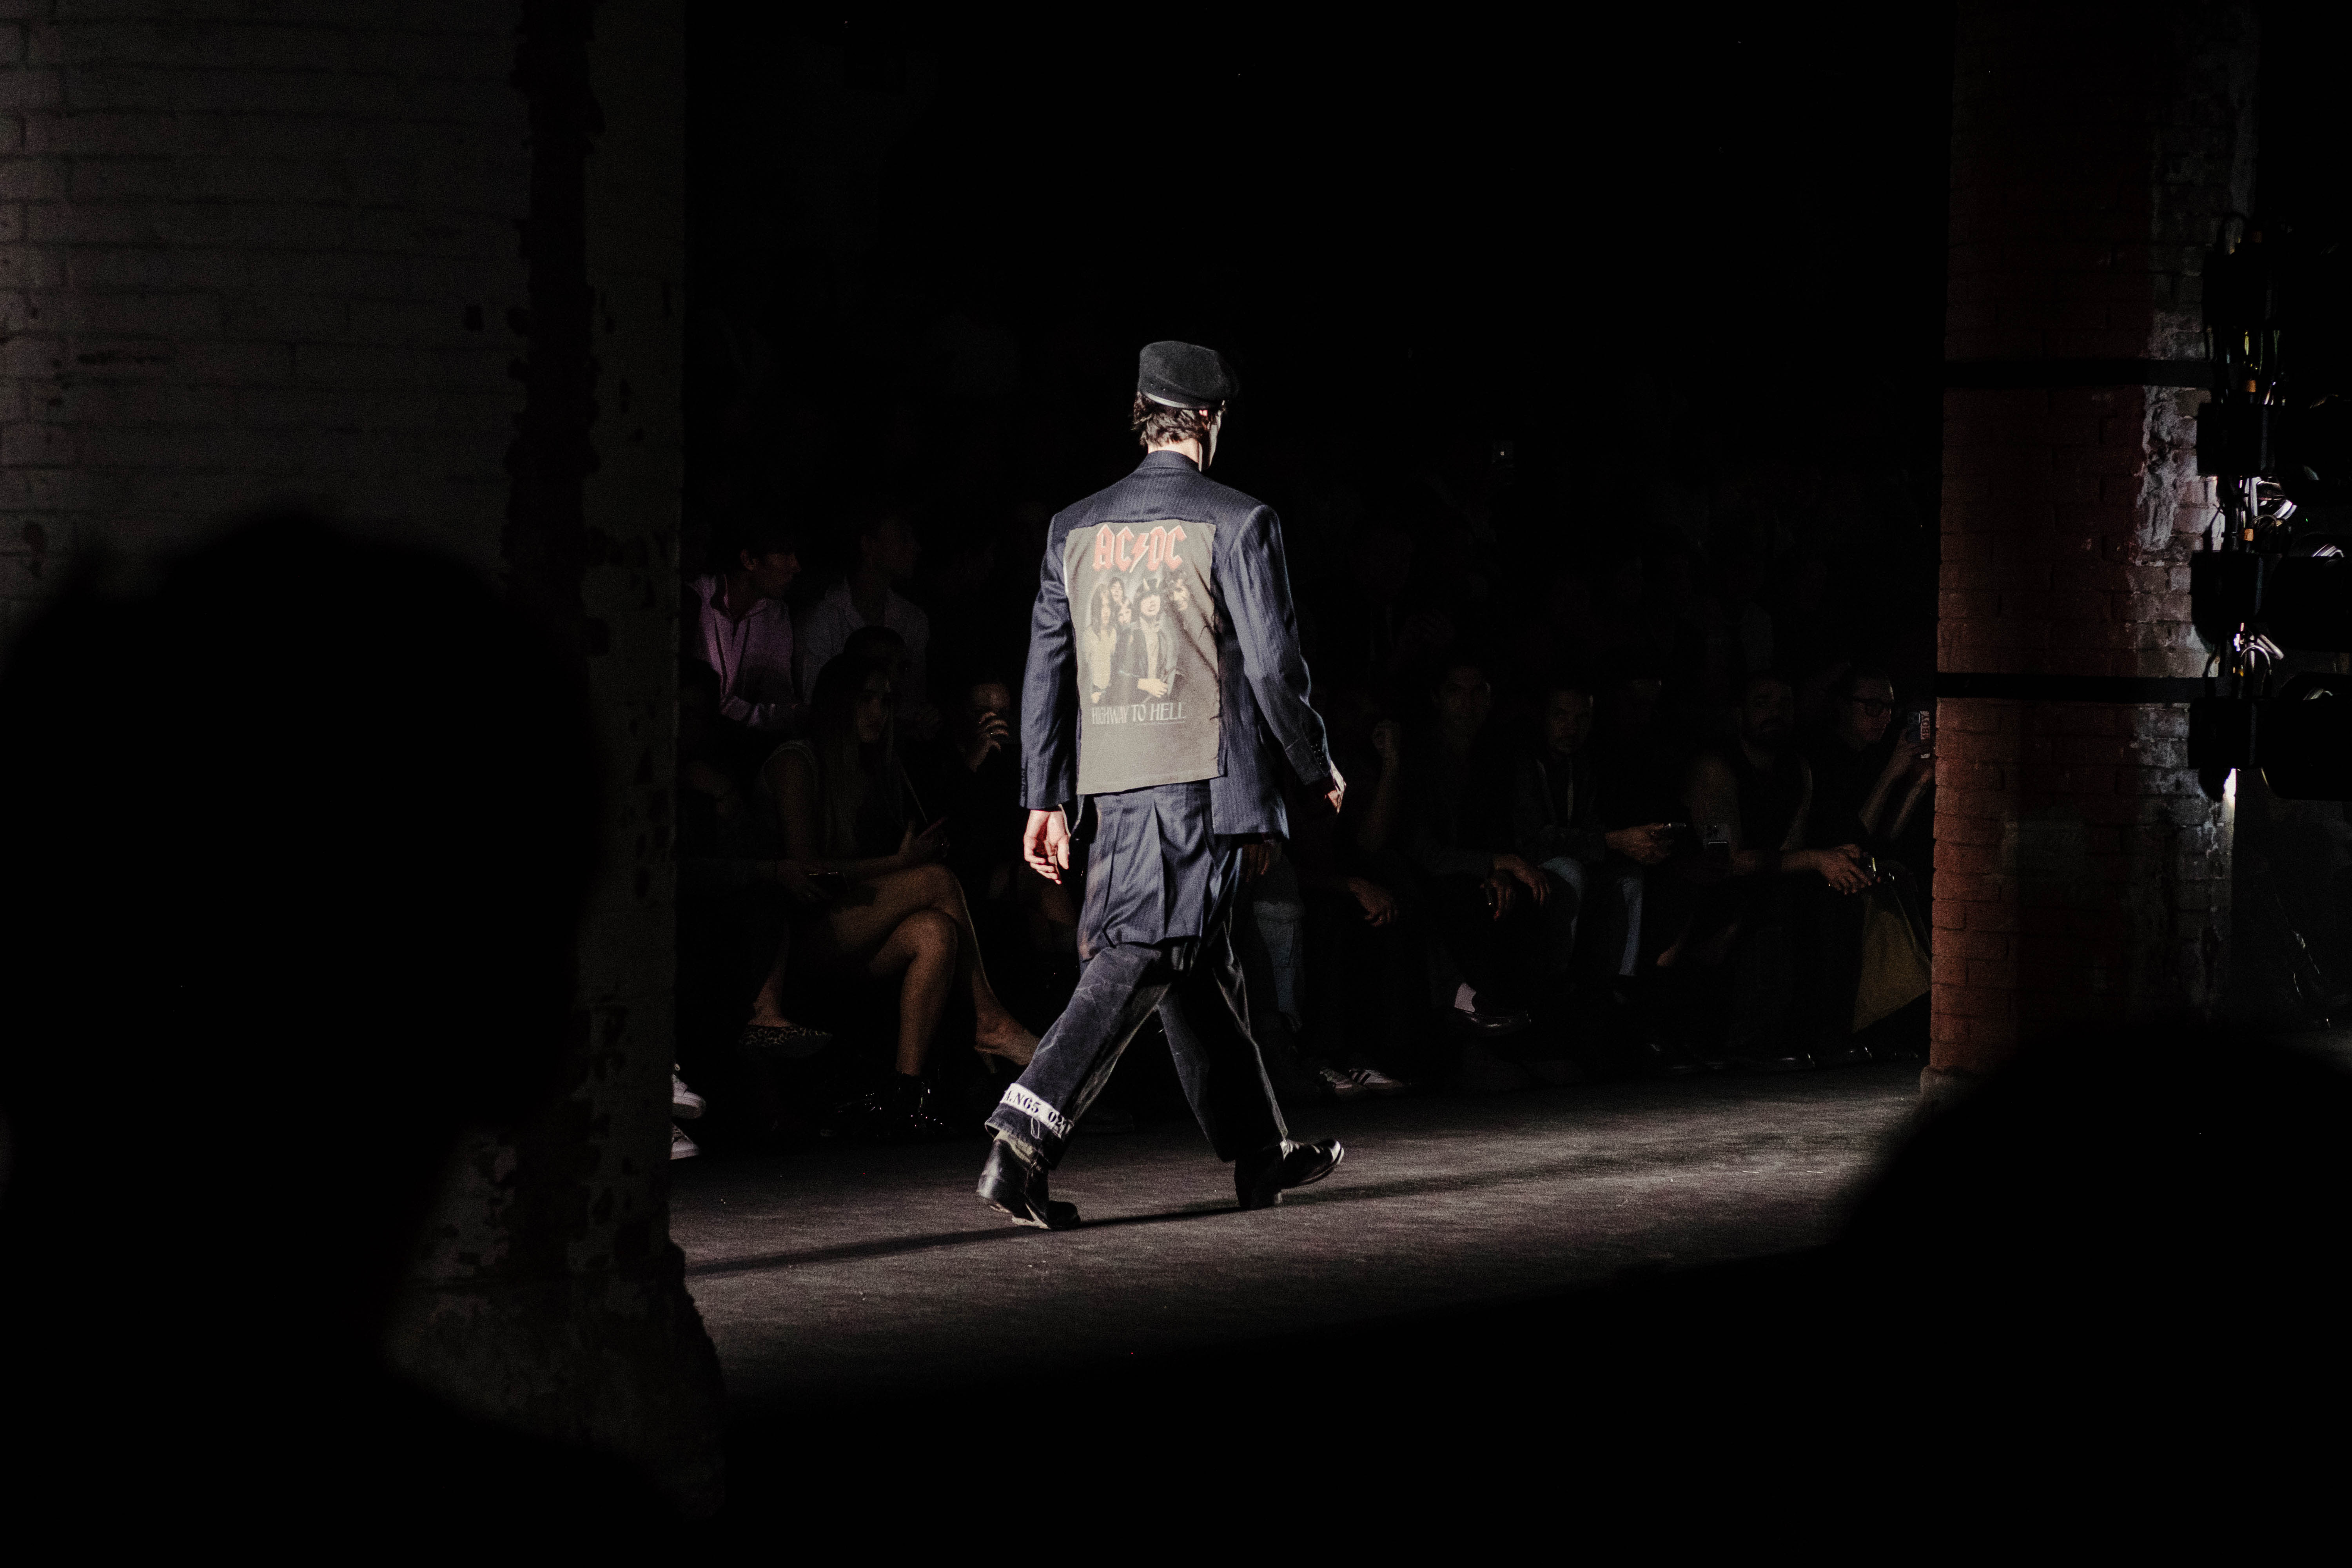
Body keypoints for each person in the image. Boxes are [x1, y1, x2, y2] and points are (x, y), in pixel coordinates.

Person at [977, 340, 1346, 1229]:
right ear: (1208, 419)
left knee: (1198, 963)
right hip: (1198, 784)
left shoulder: (1074, 527)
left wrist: (1043, 796)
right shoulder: (1239, 521)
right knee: (1142, 951)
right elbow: (1273, 666)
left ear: (1145, 415)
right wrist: (1314, 765)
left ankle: (1260, 1151)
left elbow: (1047, 670)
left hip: (1113, 783)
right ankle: (1019, 1141)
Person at [755, 655, 1038, 1139]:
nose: (878, 712)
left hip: (846, 925)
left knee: (935, 932)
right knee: (935, 881)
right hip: (786, 936)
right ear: (838, 704)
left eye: (886, 701)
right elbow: (807, 872)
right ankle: (991, 1021)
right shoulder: (795, 761)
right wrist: (900, 863)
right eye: (865, 699)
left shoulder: (870, 770)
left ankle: (905, 1093)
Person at [1673, 671, 1873, 1069]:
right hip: (1705, 886)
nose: (1774, 713)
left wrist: (1832, 859)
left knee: (1838, 892)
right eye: (1762, 703)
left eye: (1784, 704)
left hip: (1765, 877)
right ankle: (1746, 1039)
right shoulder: (1716, 768)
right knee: (1761, 903)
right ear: (1739, 713)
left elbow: (1790, 853)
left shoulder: (1797, 769)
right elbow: (1725, 861)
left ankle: (1826, 1035)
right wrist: (1816, 859)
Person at [1511, 679, 1674, 987]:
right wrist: (1616, 841)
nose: (1571, 728)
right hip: (1525, 865)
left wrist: (1636, 844)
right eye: (1561, 716)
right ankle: (1554, 983)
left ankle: (1619, 986)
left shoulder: (1580, 763)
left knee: (1629, 877)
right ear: (1543, 717)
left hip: (1568, 858)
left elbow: (1590, 826)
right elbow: (1533, 840)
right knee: (1570, 872)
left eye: (1581, 718)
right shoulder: (1523, 763)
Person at [799, 508, 938, 738]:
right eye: (903, 538)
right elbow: (816, 703)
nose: (916, 547)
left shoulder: (913, 620)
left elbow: (914, 701)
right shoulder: (823, 617)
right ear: (869, 545)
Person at [686, 515, 804, 733]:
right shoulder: (697, 603)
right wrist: (787, 716)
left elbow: (776, 688)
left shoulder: (776, 613)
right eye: (785, 554)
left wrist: (792, 712)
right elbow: (708, 705)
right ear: (748, 560)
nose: (796, 566)